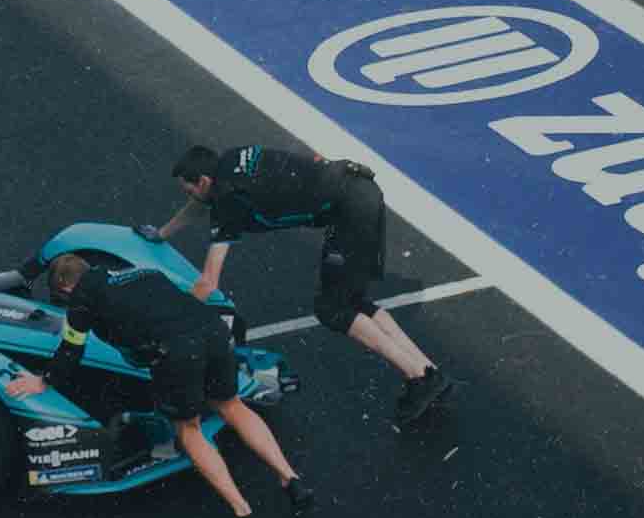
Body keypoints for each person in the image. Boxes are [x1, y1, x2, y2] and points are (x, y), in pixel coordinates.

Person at [5, 253, 311, 518]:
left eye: (61, 295)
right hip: (213, 332)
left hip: (179, 352)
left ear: (65, 285)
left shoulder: (82, 298)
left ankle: (243, 516)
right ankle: (291, 479)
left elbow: (72, 350)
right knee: (232, 405)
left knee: (188, 429)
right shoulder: (140, 272)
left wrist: (43, 381)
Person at [155, 144, 451, 423]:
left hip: (351, 210)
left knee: (332, 309)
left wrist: (169, 318)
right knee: (352, 302)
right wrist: (160, 233)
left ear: (205, 181)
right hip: (358, 189)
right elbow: (197, 206)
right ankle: (428, 372)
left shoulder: (228, 199)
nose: (190, 195)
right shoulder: (230, 161)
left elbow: (208, 282)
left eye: (190, 188)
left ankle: (419, 379)